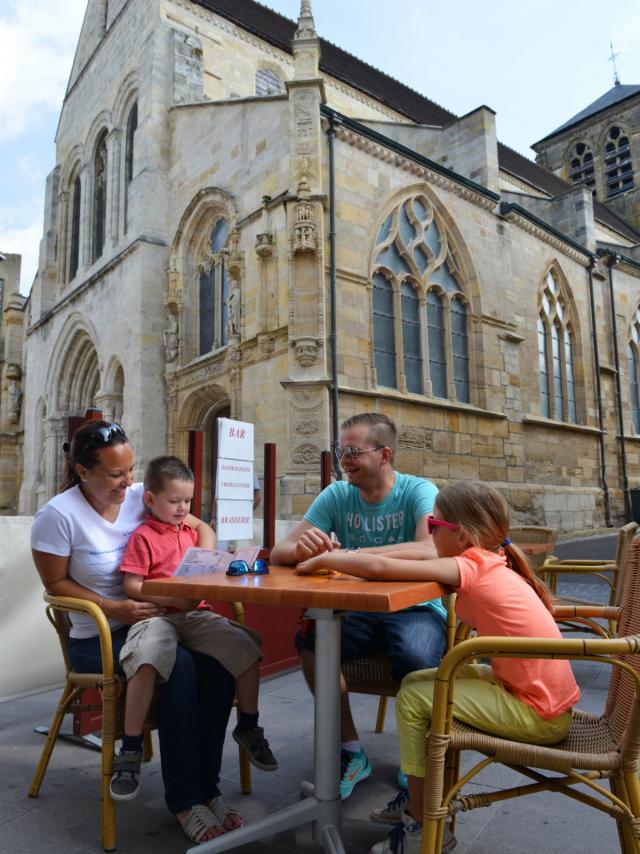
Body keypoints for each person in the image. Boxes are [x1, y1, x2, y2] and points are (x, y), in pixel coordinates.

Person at [297, 480, 580, 854]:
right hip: (539, 698)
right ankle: (422, 799)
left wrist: (326, 560)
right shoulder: (489, 560)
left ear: (461, 536)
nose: (428, 532)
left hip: (538, 714)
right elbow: (409, 560)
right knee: (418, 681)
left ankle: (421, 826)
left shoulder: (471, 566)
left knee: (413, 699)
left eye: (433, 525)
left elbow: (380, 567)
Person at [31, 421, 241, 845]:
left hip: (162, 621)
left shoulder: (140, 495)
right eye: (115, 474)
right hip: (100, 635)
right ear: (83, 471)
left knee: (219, 667)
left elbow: (201, 528)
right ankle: (185, 800)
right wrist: (115, 606)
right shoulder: (58, 516)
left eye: (130, 470)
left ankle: (208, 787)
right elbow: (55, 585)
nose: (127, 482)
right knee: (179, 668)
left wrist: (199, 565)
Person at [270, 412, 447, 799]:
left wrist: (351, 556)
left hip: (417, 607)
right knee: (312, 644)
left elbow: (429, 548)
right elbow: (279, 552)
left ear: (384, 455)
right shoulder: (337, 494)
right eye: (341, 451)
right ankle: (351, 751)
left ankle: (418, 757)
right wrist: (302, 549)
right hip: (359, 610)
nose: (344, 460)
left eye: (353, 452)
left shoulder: (418, 491)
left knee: (417, 656)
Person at [114, 455, 277, 802]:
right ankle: (130, 748)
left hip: (195, 615)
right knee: (146, 657)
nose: (182, 508)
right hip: (159, 616)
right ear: (150, 499)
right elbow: (132, 585)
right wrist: (171, 595)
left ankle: (249, 726)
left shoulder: (191, 533)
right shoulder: (143, 536)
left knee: (247, 646)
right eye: (174, 501)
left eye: (187, 501)